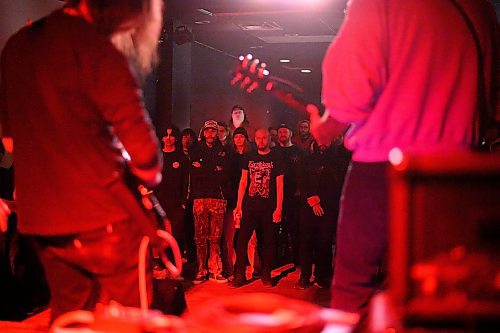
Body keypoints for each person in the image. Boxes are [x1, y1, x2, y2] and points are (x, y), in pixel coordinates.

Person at [307, 0, 498, 319]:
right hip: (459, 175)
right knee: (444, 298)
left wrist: (326, 128)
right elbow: (490, 105)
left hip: (382, 169)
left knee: (352, 296)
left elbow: (350, 94)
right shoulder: (481, 8)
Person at [0, 0, 164, 321]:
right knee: (136, 321)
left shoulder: (17, 46)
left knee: (71, 319)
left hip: (44, 222)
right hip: (106, 221)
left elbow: (9, 141)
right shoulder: (99, 52)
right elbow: (147, 160)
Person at [229, 128, 284, 288]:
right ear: (254, 139)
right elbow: (243, 182)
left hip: (269, 207)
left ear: (269, 139)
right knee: (241, 241)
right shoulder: (248, 157)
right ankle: (239, 275)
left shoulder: (276, 157)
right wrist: (239, 205)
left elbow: (280, 184)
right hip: (249, 206)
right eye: (258, 138)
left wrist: (279, 207)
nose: (261, 141)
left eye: (264, 138)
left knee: (268, 242)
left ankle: (266, 274)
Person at [190, 120, 228, 284]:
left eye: (214, 131)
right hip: (200, 198)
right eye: (208, 131)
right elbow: (194, 173)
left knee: (215, 237)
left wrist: (203, 167)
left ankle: (216, 270)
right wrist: (213, 169)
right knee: (200, 237)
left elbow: (224, 175)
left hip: (218, 198)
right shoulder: (196, 150)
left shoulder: (223, 151)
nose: (211, 134)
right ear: (203, 133)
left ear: (217, 133)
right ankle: (201, 270)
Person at [155, 126, 189, 258]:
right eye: (166, 135)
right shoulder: (157, 156)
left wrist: (184, 202)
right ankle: (160, 264)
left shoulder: (182, 158)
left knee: (176, 235)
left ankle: (175, 266)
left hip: (176, 204)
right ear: (162, 138)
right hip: (159, 203)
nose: (168, 139)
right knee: (160, 233)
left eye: (171, 136)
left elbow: (187, 181)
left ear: (176, 138)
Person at [275, 123, 304, 266]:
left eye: (285, 132)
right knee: (278, 229)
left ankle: (297, 259)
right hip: (276, 196)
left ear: (291, 134)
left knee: (294, 228)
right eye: (280, 132)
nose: (282, 134)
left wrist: (300, 189)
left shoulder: (298, 152)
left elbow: (303, 173)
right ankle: (280, 257)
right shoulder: (273, 152)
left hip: (294, 196)